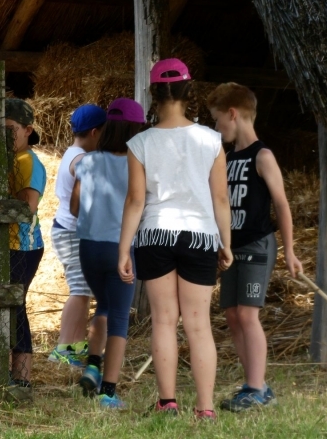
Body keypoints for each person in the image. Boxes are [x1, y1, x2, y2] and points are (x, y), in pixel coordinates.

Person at [117, 58, 233, 420]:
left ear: (154, 93)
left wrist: (123, 250)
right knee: (198, 324)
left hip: (155, 234)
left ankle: (167, 401)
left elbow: (136, 201)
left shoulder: (139, 143)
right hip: (199, 235)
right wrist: (226, 244)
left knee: (164, 320)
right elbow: (220, 199)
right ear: (188, 91)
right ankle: (205, 408)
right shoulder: (211, 140)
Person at [206, 82, 304, 412]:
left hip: (258, 246)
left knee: (248, 314)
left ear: (233, 114)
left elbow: (282, 204)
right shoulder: (230, 157)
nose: (217, 128)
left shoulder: (263, 156)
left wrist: (289, 251)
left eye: (218, 120)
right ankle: (254, 383)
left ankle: (256, 387)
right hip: (233, 248)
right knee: (232, 315)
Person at [72, 98, 145, 408]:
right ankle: (109, 392)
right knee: (118, 319)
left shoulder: (87, 162)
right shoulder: (137, 164)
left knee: (102, 305)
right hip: (121, 248)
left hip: (88, 248)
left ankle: (92, 365)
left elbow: (75, 206)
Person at [48, 104, 107, 367]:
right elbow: (83, 180)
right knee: (79, 289)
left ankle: (75, 342)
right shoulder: (81, 158)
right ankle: (63, 346)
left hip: (69, 230)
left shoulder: (73, 151)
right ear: (95, 132)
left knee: (83, 289)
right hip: (72, 231)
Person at [5, 98, 47, 389]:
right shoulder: (11, 159)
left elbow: (28, 207)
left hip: (23, 246)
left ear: (28, 130)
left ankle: (22, 377)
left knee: (15, 306)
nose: (5, 135)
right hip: (8, 244)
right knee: (9, 306)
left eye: (11, 129)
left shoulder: (28, 162)